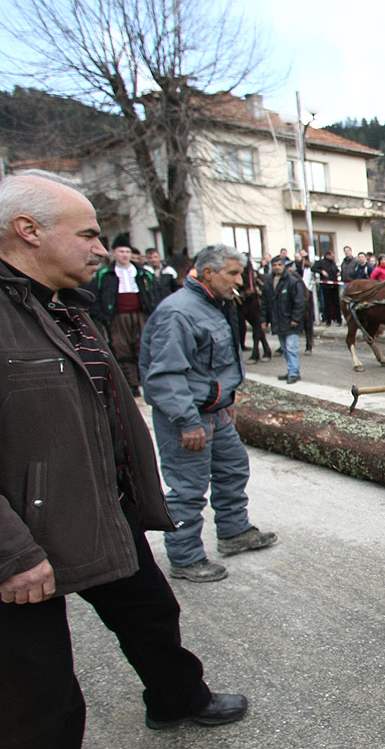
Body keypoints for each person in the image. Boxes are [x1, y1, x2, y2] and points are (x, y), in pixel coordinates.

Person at [0, 171, 247, 747]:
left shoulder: (66, 309)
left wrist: (133, 497)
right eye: (87, 234)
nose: (101, 248)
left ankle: (178, 700)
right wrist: (11, 551)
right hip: (24, 539)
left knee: (152, 615)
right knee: (40, 687)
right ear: (28, 230)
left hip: (101, 509)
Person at [139, 243, 278, 582]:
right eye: (232, 274)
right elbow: (165, 376)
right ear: (208, 273)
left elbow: (211, 364)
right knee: (187, 489)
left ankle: (233, 533)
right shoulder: (178, 312)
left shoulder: (214, 305)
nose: (239, 281)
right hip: (188, 417)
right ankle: (185, 558)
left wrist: (226, 401)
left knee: (233, 469)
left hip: (215, 412)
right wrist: (187, 422)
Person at [87, 232, 159, 395]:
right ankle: (132, 384)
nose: (124, 255)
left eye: (127, 252)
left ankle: (145, 380)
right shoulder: (105, 274)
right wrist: (104, 316)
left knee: (142, 347)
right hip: (117, 318)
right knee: (122, 350)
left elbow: (153, 294)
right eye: (121, 252)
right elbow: (95, 297)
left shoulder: (143, 274)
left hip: (140, 316)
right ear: (113, 253)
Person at [262, 254, 306, 383]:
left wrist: (296, 319)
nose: (277, 267)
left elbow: (299, 302)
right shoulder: (269, 282)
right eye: (274, 265)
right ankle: (290, 370)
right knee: (285, 348)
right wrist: (263, 319)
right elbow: (265, 302)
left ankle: (294, 373)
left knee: (291, 348)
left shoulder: (292, 281)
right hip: (278, 321)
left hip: (290, 321)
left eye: (279, 265)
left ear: (284, 266)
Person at [313, 249, 341, 325]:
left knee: (337, 303)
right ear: (328, 255)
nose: (334, 257)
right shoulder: (321, 262)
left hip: (334, 285)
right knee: (327, 304)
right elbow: (313, 268)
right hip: (326, 286)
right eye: (332, 256)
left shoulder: (333, 263)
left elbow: (336, 270)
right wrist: (321, 271)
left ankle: (338, 319)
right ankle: (328, 320)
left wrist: (338, 272)